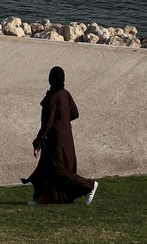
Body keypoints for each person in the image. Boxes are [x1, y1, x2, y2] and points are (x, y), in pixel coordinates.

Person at [22, 66, 99, 206]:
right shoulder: (65, 94)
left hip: (56, 142)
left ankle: (90, 185)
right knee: (44, 170)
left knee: (58, 170)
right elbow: (74, 113)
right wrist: (62, 121)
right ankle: (41, 199)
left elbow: (47, 123)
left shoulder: (53, 98)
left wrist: (38, 143)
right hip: (64, 138)